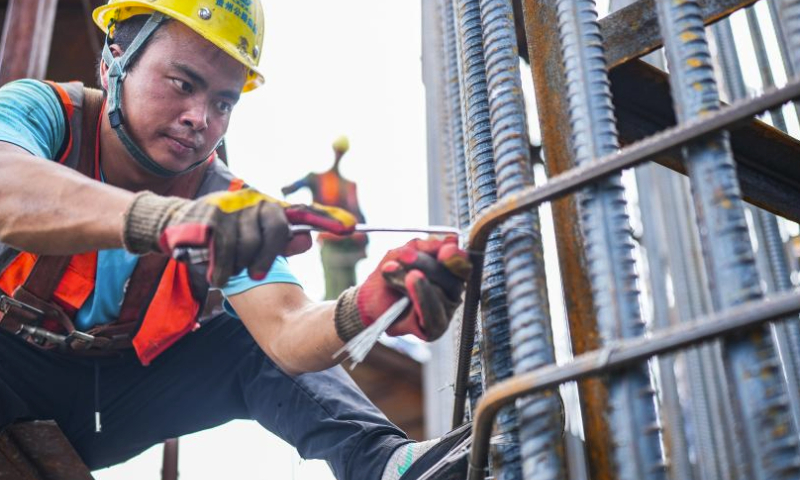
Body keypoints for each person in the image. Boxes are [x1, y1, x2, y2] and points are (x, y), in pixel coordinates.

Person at [0, 1, 472, 479]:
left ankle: (385, 464)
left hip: (115, 404)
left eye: (223, 103)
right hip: (10, 369)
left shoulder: (227, 206)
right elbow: (7, 188)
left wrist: (365, 309)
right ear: (112, 63)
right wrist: (170, 219)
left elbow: (285, 327)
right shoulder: (43, 112)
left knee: (244, 341)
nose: (200, 117)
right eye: (183, 84)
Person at [282, 136, 369, 300]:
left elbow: (358, 215)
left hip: (348, 244)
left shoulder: (345, 185)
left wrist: (364, 241)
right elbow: (291, 188)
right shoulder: (318, 179)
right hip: (333, 243)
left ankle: (340, 318)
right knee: (336, 291)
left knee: (347, 291)